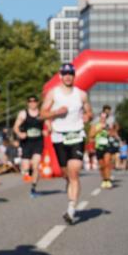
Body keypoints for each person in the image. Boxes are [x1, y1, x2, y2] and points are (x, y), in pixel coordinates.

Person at [41, 62, 93, 225]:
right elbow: (42, 114)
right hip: (59, 136)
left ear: (74, 75)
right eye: (65, 73)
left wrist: (87, 116)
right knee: (66, 174)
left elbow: (89, 111)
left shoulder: (81, 94)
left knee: (74, 172)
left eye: (70, 73)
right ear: (60, 75)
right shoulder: (53, 93)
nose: (68, 76)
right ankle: (69, 186)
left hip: (76, 135)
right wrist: (56, 112)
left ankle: (71, 209)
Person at [13, 95, 45, 197]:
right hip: (26, 142)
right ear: (27, 103)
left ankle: (33, 188)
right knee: (26, 167)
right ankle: (29, 171)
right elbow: (15, 127)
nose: (32, 103)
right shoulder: (23, 114)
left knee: (36, 165)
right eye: (30, 101)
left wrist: (47, 130)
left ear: (37, 102)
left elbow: (49, 125)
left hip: (38, 142)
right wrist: (19, 134)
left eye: (34, 101)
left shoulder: (42, 113)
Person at [90, 110, 114, 189]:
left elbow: (112, 134)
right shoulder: (95, 125)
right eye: (102, 117)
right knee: (102, 166)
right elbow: (91, 135)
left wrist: (109, 130)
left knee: (107, 163)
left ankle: (108, 180)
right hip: (98, 147)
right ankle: (104, 179)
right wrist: (99, 130)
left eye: (104, 117)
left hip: (107, 146)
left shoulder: (108, 126)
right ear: (100, 118)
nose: (103, 119)